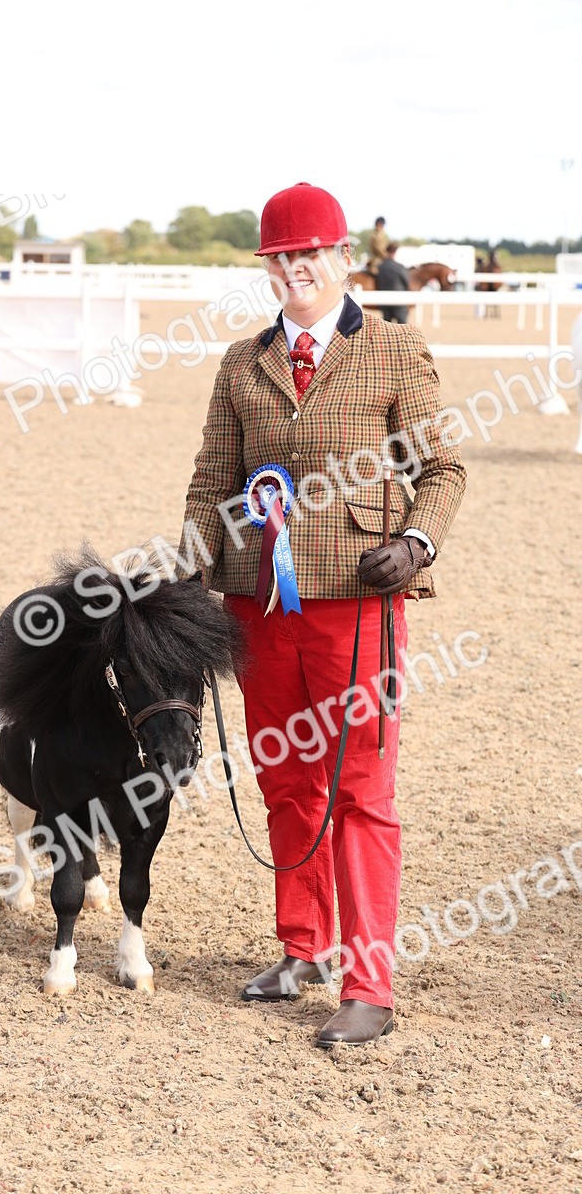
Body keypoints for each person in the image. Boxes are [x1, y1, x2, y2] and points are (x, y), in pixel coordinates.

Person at [180, 182, 466, 1047]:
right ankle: (300, 947)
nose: (297, 268)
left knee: (362, 788)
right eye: (282, 257)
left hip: (359, 605)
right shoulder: (241, 362)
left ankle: (369, 982)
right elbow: (212, 479)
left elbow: (442, 469)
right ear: (268, 268)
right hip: (256, 603)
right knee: (285, 776)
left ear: (343, 259)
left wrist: (417, 543)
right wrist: (189, 565)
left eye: (312, 254)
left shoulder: (394, 352)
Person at [376, 242, 411, 323]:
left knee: (387, 328)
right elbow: (406, 283)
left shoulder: (381, 267)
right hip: (399, 301)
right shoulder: (400, 267)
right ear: (395, 252)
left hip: (385, 301)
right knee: (402, 327)